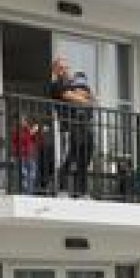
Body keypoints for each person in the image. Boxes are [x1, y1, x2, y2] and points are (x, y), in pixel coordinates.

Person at [49, 56, 94, 198]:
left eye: (66, 68)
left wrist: (84, 96)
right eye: (61, 68)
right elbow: (69, 95)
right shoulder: (56, 84)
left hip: (81, 126)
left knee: (84, 159)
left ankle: (82, 192)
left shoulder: (71, 83)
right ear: (55, 70)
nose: (64, 71)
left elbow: (89, 94)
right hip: (66, 127)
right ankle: (61, 190)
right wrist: (83, 99)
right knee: (68, 157)